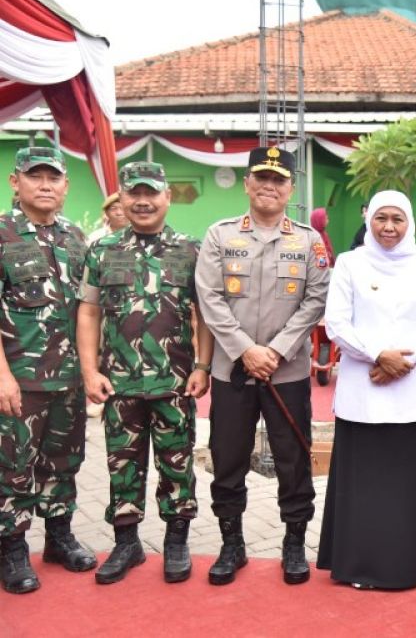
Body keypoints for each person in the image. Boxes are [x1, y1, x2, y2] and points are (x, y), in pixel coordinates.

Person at [195, 146, 330, 586]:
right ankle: (231, 544)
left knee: (293, 458)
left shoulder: (308, 240)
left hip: (286, 372)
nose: (270, 186)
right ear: (248, 183)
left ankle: (294, 544)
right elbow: (209, 298)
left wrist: (276, 350)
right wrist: (244, 351)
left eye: (279, 180)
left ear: (291, 188)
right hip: (232, 371)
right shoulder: (220, 235)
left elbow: (316, 299)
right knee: (227, 457)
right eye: (262, 178)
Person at [77, 161, 212, 584]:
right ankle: (127, 543)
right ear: (122, 200)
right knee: (122, 465)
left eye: (151, 193)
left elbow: (205, 314)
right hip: (119, 385)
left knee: (177, 464)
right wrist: (88, 370)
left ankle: (176, 541)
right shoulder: (102, 251)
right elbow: (89, 311)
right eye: (134, 193)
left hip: (174, 383)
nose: (142, 201)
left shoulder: (190, 249)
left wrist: (203, 365)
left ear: (166, 197)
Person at [317, 190, 416, 589]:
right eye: (381, 218)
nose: (389, 227)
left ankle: (408, 564)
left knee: (406, 487)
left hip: (409, 391)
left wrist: (402, 363)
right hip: (363, 391)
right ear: (369, 220)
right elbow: (336, 322)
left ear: (408, 222)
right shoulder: (350, 263)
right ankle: (358, 566)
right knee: (363, 486)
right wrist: (378, 355)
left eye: (397, 219)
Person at [0, 147, 96, 594]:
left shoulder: (75, 238)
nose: (44, 184)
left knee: (63, 462)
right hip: (21, 380)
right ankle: (13, 548)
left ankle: (58, 537)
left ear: (65, 186)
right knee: (13, 467)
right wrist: (1, 376)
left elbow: (87, 312)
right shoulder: (2, 235)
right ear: (15, 182)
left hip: (69, 380)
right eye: (34, 176)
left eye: (53, 177)